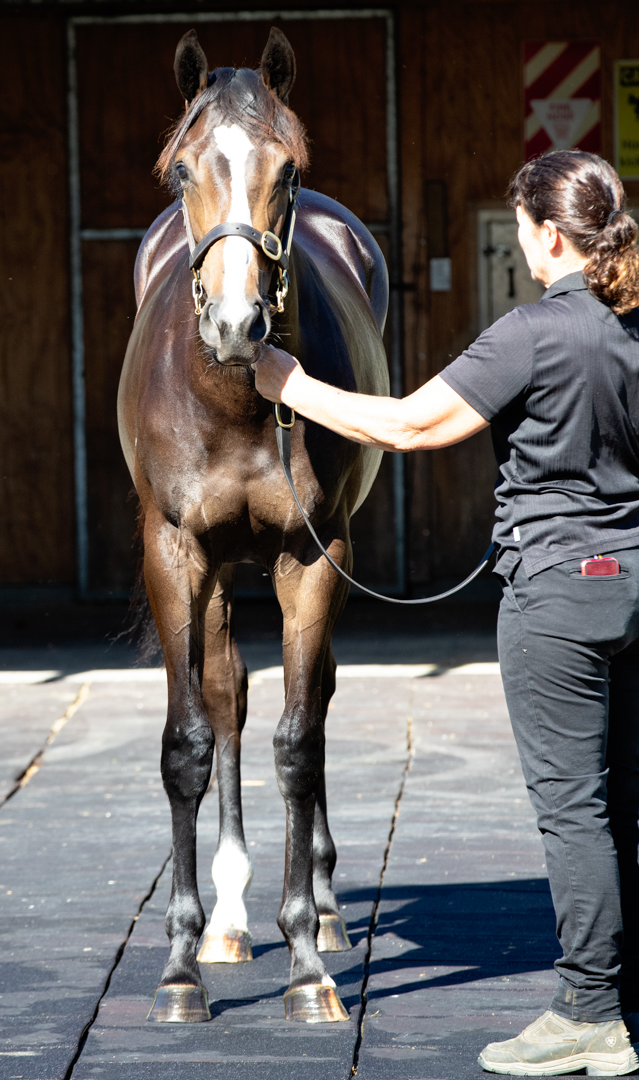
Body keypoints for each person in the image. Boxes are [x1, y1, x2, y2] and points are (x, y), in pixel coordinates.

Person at [253, 150, 639, 1077]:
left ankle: (590, 1013)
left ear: (549, 236)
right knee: (625, 799)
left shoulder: (533, 332)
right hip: (634, 580)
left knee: (573, 810)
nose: (524, 246)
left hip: (558, 598)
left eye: (525, 229)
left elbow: (409, 426)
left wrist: (288, 385)